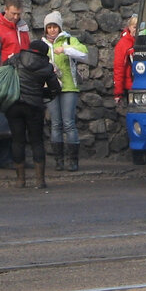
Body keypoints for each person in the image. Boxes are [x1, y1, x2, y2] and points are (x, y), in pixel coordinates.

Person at [33, 10, 89, 172]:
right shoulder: (42, 44)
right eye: (49, 27)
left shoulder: (69, 40)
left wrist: (65, 50)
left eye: (54, 26)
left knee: (69, 123)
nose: (52, 30)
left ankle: (73, 160)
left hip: (69, 87)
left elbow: (84, 54)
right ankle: (59, 160)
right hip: (50, 87)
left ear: (59, 27)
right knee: (56, 124)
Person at [0, 0, 30, 168]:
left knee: (19, 118)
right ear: (6, 10)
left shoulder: (22, 28)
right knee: (4, 119)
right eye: (13, 13)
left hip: (21, 78)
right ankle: (5, 158)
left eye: (18, 14)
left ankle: (18, 158)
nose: (16, 17)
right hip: (4, 78)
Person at [4, 46, 60, 189]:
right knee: (36, 141)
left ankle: (20, 180)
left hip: (14, 105)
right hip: (34, 106)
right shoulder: (46, 66)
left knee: (17, 140)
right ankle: (40, 180)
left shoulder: (16, 59)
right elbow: (55, 89)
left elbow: (4, 70)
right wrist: (43, 93)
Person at [112, 14, 140, 106]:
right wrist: (118, 92)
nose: (137, 30)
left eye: (140, 27)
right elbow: (119, 68)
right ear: (129, 27)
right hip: (131, 85)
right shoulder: (123, 44)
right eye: (135, 27)